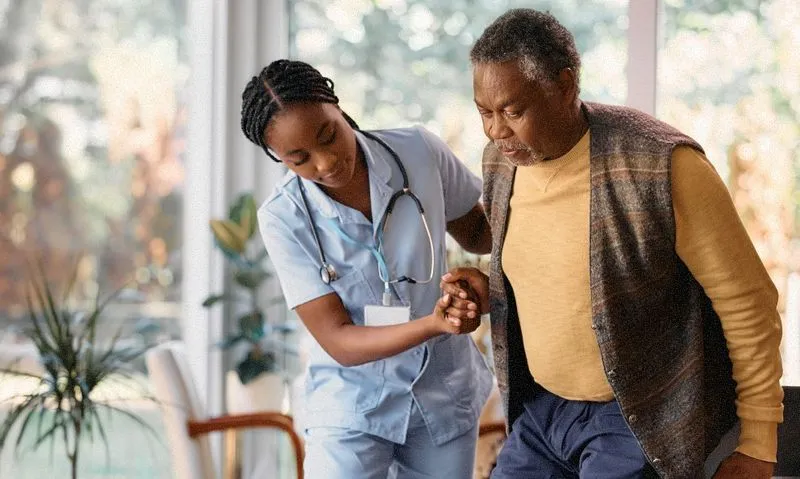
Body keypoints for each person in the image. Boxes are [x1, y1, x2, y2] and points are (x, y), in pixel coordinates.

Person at [441, 8, 784, 479]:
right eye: (485, 112)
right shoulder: (502, 164)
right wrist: (489, 290)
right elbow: (557, 275)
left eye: (513, 111)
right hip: (541, 410)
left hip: (636, 418)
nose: (496, 131)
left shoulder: (664, 166)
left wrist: (758, 444)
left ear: (564, 87)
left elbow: (748, 303)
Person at [240, 59, 493, 478]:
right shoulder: (284, 217)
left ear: (337, 107)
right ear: (279, 158)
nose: (326, 164)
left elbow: (482, 236)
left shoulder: (418, 152)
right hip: (352, 402)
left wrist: (484, 283)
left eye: (329, 136)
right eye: (300, 159)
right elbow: (338, 339)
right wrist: (433, 323)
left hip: (442, 393)